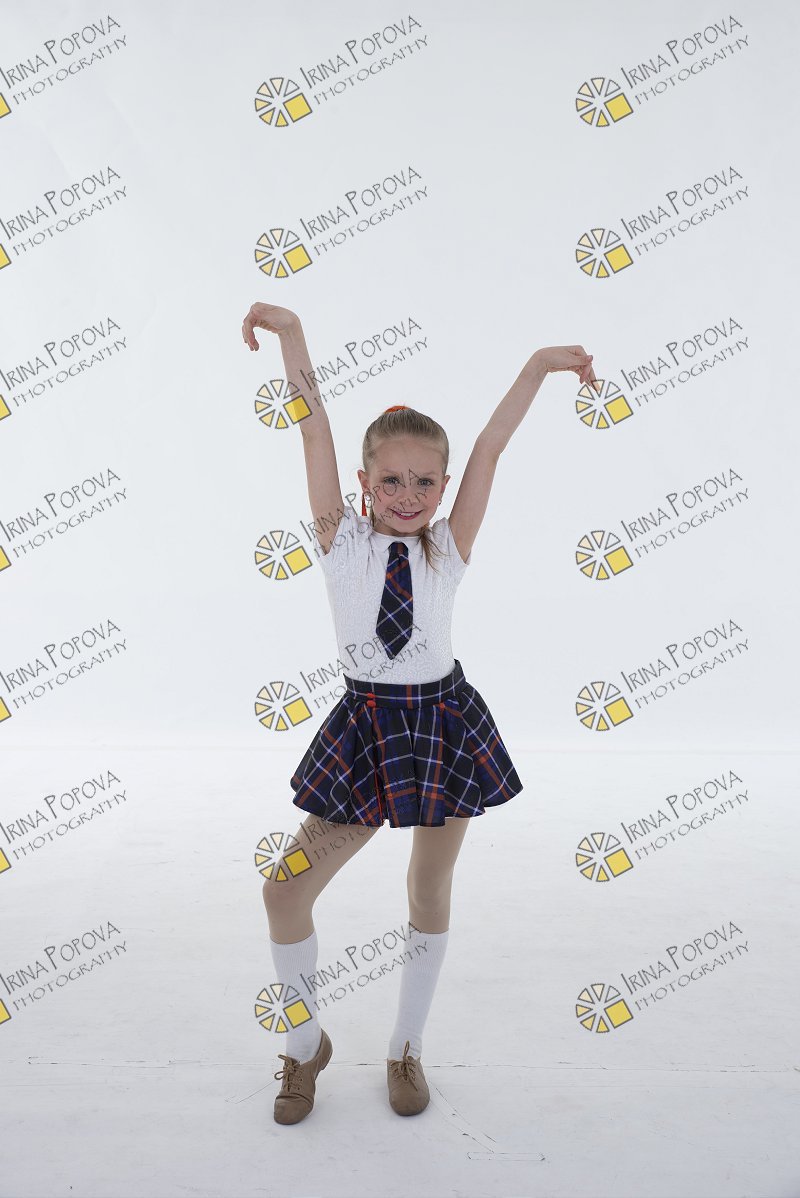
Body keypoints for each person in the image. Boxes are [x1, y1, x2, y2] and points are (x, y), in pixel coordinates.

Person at [241, 302, 598, 1124]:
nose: (409, 495)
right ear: (363, 484)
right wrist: (292, 334)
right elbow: (311, 425)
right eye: (392, 480)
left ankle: (406, 1047)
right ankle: (304, 1044)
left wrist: (539, 366)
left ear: (443, 486)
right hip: (367, 732)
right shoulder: (341, 542)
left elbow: (491, 446)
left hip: (443, 727)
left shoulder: (449, 547)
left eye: (426, 481)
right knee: (285, 893)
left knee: (429, 888)